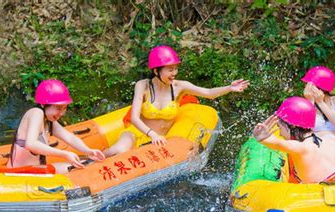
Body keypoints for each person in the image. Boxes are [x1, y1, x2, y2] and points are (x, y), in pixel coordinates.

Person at [103, 45, 249, 157]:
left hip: (161, 139)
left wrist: (230, 88)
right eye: (170, 70)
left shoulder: (180, 87)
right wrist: (152, 134)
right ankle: (91, 159)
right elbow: (134, 118)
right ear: (156, 71)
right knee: (120, 149)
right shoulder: (142, 86)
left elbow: (209, 93)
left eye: (175, 69)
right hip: (138, 133)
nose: (174, 73)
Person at [8, 80, 105, 174]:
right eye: (58, 108)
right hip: (20, 174)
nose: (62, 113)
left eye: (64, 108)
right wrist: (64, 154)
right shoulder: (36, 113)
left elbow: (69, 138)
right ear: (43, 104)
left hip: (37, 170)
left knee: (85, 163)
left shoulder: (49, 121)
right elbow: (31, 144)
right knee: (78, 167)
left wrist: (87, 151)